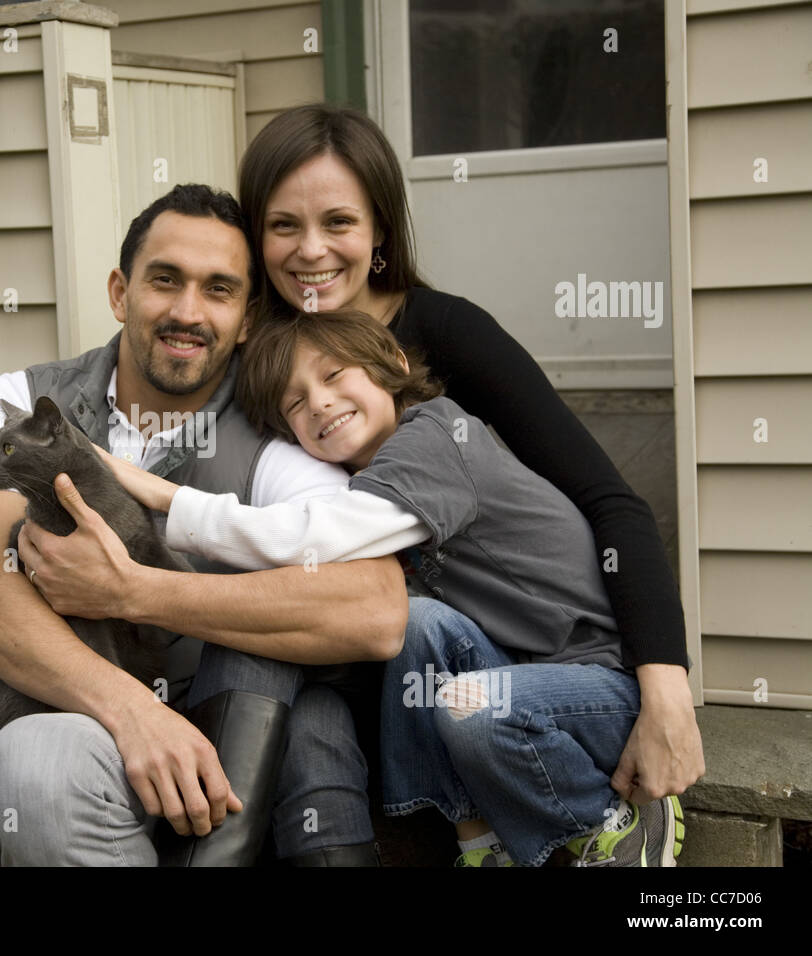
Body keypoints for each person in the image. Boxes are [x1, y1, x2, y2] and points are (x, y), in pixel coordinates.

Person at [98, 101, 701, 864]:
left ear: (380, 229)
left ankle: (591, 827)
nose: (311, 251)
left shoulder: (443, 355)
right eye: (284, 226)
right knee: (328, 709)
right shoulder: (247, 341)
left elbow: (611, 504)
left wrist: (666, 692)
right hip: (343, 667)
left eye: (339, 223)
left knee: (407, 670)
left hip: (511, 676)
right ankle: (463, 832)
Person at [0, 183, 405, 866]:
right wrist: (128, 710)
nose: (186, 311)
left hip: (177, 751)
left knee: (43, 764)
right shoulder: (19, 403)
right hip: (0, 714)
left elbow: (374, 611)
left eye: (219, 290)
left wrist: (133, 592)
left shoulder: (276, 444)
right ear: (120, 292)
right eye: (164, 281)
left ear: (250, 316)